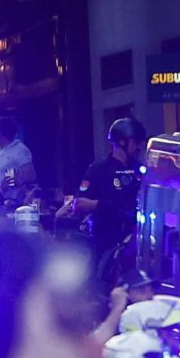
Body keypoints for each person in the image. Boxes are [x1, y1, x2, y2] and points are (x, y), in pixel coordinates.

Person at [59, 117, 145, 283]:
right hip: (106, 241)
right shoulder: (98, 170)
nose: (139, 147)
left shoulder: (139, 171)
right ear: (122, 142)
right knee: (103, 282)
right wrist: (105, 206)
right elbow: (80, 202)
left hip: (136, 241)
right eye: (136, 142)